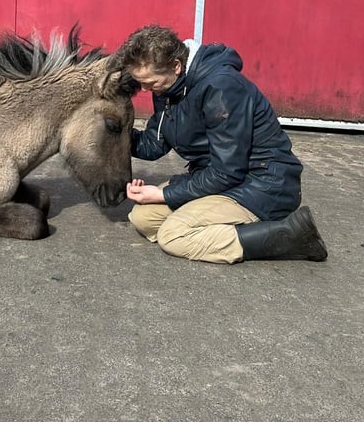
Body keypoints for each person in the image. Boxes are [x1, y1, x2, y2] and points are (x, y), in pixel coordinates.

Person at [113, 24, 327, 264]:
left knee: (173, 236)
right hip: (219, 178)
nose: (144, 89)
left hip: (262, 184)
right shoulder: (169, 88)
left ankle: (289, 235)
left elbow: (226, 171)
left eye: (150, 83)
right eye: (141, 83)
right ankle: (224, 225)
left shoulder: (221, 87)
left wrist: (163, 193)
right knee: (143, 218)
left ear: (176, 66)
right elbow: (154, 144)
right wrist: (110, 135)